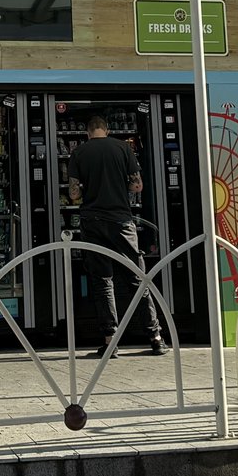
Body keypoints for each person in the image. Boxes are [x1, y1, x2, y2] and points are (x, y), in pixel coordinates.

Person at [66, 113, 163, 355]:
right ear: (106, 130)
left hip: (93, 222)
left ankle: (111, 341)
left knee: (102, 281)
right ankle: (155, 337)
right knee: (137, 278)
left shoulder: (79, 153)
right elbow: (137, 185)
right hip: (121, 220)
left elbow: (74, 194)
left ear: (88, 132)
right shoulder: (122, 148)